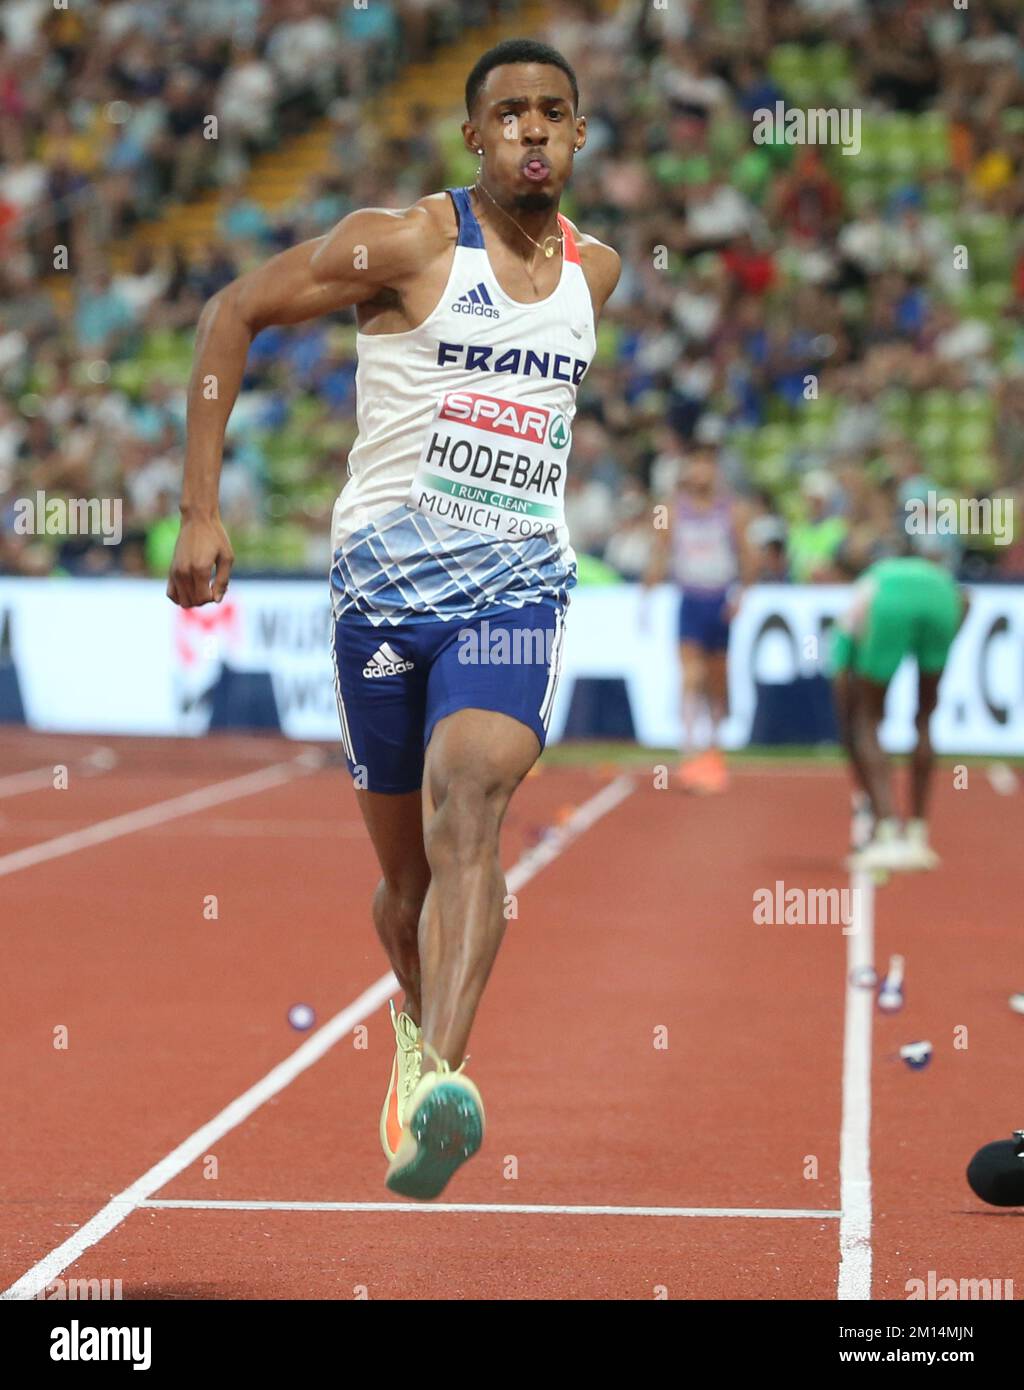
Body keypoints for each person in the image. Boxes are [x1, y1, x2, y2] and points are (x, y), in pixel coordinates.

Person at [165, 38, 621, 1200]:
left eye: (552, 114)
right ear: (472, 137)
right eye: (508, 113)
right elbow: (231, 313)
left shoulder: (596, 273)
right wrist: (199, 512)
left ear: (578, 136)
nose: (531, 130)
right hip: (379, 600)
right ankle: (417, 1021)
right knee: (406, 883)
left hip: (517, 590)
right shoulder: (410, 241)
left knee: (472, 794)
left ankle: (439, 1083)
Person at [831, 552, 969, 872]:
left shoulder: (865, 593)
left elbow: (841, 683)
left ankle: (888, 831)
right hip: (945, 599)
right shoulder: (925, 575)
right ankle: (919, 836)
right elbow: (966, 601)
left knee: (865, 720)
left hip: (891, 605)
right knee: (924, 719)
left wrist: (849, 733)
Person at [644, 445, 749, 793]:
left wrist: (742, 595)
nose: (700, 473)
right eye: (695, 466)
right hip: (690, 598)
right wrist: (646, 595)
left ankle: (714, 742)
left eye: (706, 466)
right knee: (691, 673)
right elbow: (661, 553)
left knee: (718, 678)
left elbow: (747, 555)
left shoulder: (731, 512)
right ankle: (689, 744)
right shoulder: (673, 512)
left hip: (719, 598)